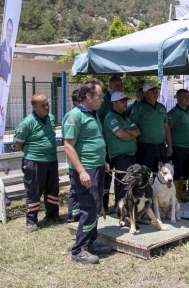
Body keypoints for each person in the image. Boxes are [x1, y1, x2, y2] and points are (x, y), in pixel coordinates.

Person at [63, 78, 112, 265]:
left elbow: (93, 141)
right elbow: (68, 146)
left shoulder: (93, 114)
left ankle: (91, 243)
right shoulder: (75, 116)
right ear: (87, 96)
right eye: (99, 96)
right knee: (88, 208)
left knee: (96, 207)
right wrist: (82, 171)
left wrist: (103, 162)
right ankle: (79, 250)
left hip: (96, 167)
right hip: (86, 170)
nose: (102, 100)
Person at [14, 94, 61, 233]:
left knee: (53, 190)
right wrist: (35, 153)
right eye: (43, 105)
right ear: (34, 107)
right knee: (34, 191)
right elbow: (18, 144)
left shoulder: (51, 118)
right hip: (34, 162)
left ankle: (52, 216)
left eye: (47, 104)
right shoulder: (27, 123)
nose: (47, 107)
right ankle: (31, 221)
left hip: (51, 160)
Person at [103, 91, 140, 212]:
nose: (126, 103)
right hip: (119, 156)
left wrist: (128, 132)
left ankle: (124, 208)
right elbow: (121, 135)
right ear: (114, 103)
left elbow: (138, 131)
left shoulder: (125, 116)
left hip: (130, 155)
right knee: (125, 182)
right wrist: (132, 137)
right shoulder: (111, 117)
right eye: (122, 101)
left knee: (128, 183)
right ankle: (122, 210)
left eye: (126, 101)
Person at [130, 83, 172, 173]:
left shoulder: (162, 107)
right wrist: (134, 146)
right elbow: (132, 127)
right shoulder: (138, 107)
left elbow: (166, 128)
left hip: (161, 146)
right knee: (145, 174)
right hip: (145, 148)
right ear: (144, 94)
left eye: (156, 91)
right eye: (152, 91)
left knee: (162, 173)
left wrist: (170, 146)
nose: (155, 93)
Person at [95, 75, 123, 213]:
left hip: (118, 146)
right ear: (110, 86)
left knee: (118, 176)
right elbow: (97, 120)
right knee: (105, 177)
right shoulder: (103, 102)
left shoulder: (122, 100)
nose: (120, 87)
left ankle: (119, 205)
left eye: (121, 84)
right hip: (105, 145)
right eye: (117, 85)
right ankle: (103, 206)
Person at [167, 89, 189, 202]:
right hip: (178, 147)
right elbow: (167, 129)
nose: (187, 98)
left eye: (188, 96)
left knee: (186, 171)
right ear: (177, 98)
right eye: (184, 96)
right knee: (177, 172)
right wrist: (169, 146)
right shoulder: (173, 113)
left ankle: (183, 191)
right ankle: (175, 195)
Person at [0, 18, 15, 147]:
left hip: (6, 83)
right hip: (1, 83)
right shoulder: (2, 47)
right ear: (5, 29)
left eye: (12, 31)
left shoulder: (10, 48)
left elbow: (9, 67)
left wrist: (9, 61)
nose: (10, 33)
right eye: (8, 30)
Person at [67, 88, 81, 223]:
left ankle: (79, 213)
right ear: (76, 102)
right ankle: (73, 215)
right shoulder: (73, 116)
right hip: (76, 162)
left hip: (85, 162)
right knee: (75, 189)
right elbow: (69, 144)